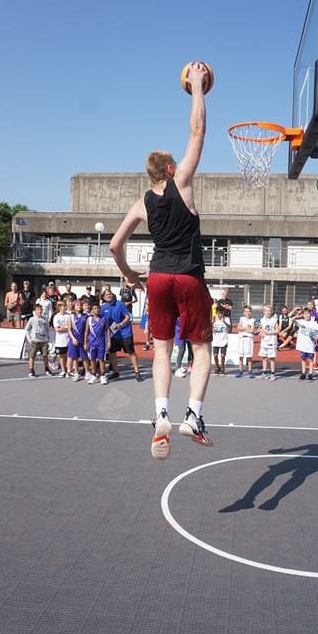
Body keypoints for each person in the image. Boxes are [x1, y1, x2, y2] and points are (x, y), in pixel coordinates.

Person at [109, 62, 213, 459]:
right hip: (188, 277)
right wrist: (197, 86)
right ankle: (193, 416)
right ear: (170, 168)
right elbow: (198, 131)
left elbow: (114, 245)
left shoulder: (141, 203)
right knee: (201, 350)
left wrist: (129, 275)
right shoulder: (181, 182)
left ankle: (161, 415)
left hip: (156, 278)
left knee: (163, 351)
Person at [102, 289, 143, 382]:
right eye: (106, 294)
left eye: (110, 294)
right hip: (113, 334)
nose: (109, 295)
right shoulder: (103, 308)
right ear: (104, 297)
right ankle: (116, 372)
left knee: (131, 352)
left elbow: (127, 317)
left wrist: (121, 324)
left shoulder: (120, 304)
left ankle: (137, 372)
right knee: (112, 352)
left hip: (125, 333)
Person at [84, 302, 110, 385]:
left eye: (98, 308)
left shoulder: (104, 318)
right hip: (92, 343)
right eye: (95, 308)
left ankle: (103, 376)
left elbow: (107, 330)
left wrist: (109, 341)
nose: (97, 310)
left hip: (101, 343)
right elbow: (86, 331)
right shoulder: (89, 319)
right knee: (92, 360)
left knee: (101, 359)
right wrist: (85, 343)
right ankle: (94, 375)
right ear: (92, 310)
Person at [25, 304, 54, 378]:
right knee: (32, 356)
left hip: (44, 340)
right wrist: (29, 339)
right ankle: (31, 371)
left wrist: (48, 337)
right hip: (35, 340)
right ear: (34, 311)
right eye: (38, 310)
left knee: (45, 355)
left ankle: (47, 369)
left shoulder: (45, 319)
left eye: (41, 309)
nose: (40, 311)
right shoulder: (32, 319)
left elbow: (47, 329)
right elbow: (27, 329)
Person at [295, 307, 318, 381]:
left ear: (310, 314)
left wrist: (317, 336)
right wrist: (296, 314)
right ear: (303, 315)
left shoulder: (313, 323)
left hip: (310, 344)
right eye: (305, 314)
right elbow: (292, 320)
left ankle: (310, 374)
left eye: (308, 314)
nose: (307, 315)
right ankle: (303, 373)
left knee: (310, 359)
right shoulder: (301, 322)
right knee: (303, 358)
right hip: (303, 344)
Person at [67, 300, 90, 381]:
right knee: (74, 357)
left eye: (80, 305)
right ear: (74, 306)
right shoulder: (70, 317)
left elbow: (87, 330)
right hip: (73, 340)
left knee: (84, 357)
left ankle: (87, 372)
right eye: (77, 305)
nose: (79, 306)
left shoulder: (85, 316)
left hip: (82, 340)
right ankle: (76, 373)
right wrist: (73, 338)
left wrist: (86, 341)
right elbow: (69, 329)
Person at [258, 305, 279, 380]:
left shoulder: (274, 320)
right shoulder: (262, 320)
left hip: (272, 341)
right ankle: (264, 373)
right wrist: (260, 332)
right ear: (264, 312)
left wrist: (268, 332)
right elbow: (259, 329)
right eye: (266, 311)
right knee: (264, 357)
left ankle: (273, 374)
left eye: (269, 311)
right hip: (264, 341)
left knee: (272, 358)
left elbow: (277, 330)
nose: (268, 312)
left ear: (272, 311)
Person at [235, 305, 255, 378]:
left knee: (249, 356)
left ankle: (250, 371)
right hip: (242, 339)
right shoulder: (241, 319)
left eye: (249, 311)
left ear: (251, 312)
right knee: (241, 356)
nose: (247, 313)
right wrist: (247, 328)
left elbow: (252, 330)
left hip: (249, 339)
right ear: (244, 312)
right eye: (246, 311)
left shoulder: (252, 320)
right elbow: (238, 327)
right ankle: (240, 370)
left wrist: (243, 329)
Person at [52, 301, 70, 377]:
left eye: (65, 305)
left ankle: (68, 370)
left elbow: (70, 328)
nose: (65, 307)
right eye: (63, 306)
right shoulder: (56, 317)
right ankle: (63, 370)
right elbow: (57, 329)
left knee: (68, 356)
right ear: (59, 307)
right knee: (62, 356)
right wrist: (65, 328)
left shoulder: (69, 316)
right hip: (60, 340)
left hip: (68, 339)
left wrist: (63, 328)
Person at [212, 308, 229, 375]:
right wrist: (212, 324)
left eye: (221, 313)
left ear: (223, 313)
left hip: (224, 340)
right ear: (216, 313)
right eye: (218, 313)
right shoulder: (214, 319)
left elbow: (230, 328)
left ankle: (222, 368)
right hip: (215, 341)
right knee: (215, 355)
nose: (219, 315)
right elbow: (209, 327)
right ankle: (217, 367)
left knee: (222, 355)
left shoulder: (226, 319)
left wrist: (224, 321)